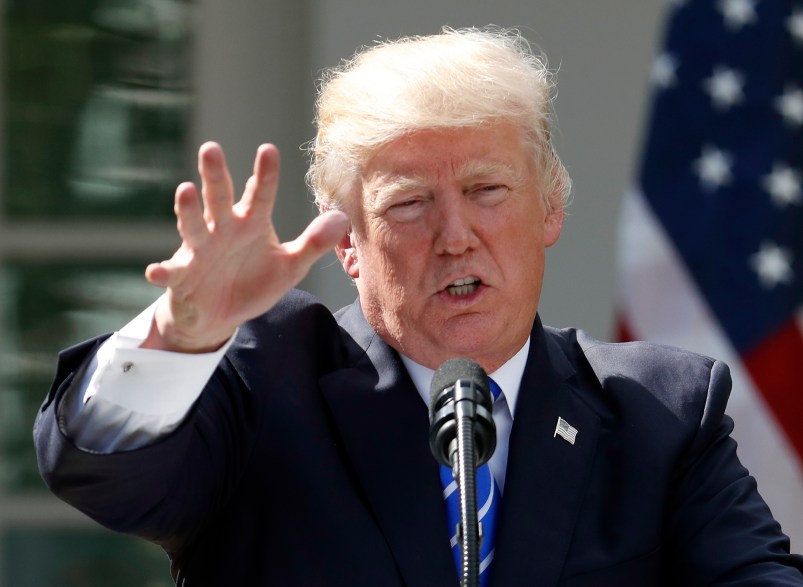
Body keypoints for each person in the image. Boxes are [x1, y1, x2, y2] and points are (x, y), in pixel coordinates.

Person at [34, 27, 803, 586]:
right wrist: (182, 332)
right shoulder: (263, 378)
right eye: (407, 204)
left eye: (485, 190)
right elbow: (105, 476)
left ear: (550, 208)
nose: (454, 236)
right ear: (348, 245)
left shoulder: (663, 414)